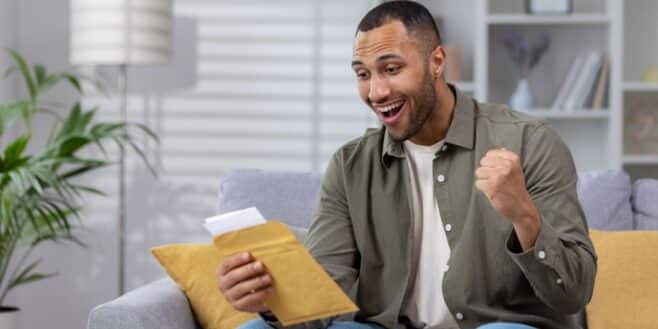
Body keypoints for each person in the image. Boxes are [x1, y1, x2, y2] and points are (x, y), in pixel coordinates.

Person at [216, 1, 597, 328]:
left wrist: (525, 216)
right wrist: (269, 302)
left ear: (437, 61)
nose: (376, 92)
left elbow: (574, 294)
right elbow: (324, 294)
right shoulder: (350, 167)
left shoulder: (529, 142)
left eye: (392, 69)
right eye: (363, 75)